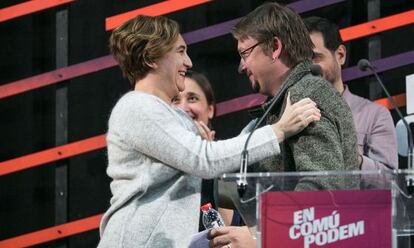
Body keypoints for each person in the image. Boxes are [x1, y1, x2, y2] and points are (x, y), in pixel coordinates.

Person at [97, 14, 320, 248]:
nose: (189, 62)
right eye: (180, 51)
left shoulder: (162, 112)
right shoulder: (138, 107)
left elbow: (208, 158)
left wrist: (260, 127)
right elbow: (203, 159)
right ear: (152, 58)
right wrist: (278, 130)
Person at [209, 2, 359, 247]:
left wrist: (261, 236)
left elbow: (321, 189)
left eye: (245, 54)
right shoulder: (293, 97)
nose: (241, 66)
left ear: (275, 47)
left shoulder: (303, 96)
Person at [304, 16, 398, 170]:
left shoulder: (375, 115)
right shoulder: (291, 114)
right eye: (302, 61)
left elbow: (390, 183)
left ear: (340, 55)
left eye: (315, 57)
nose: (308, 67)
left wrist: (350, 157)